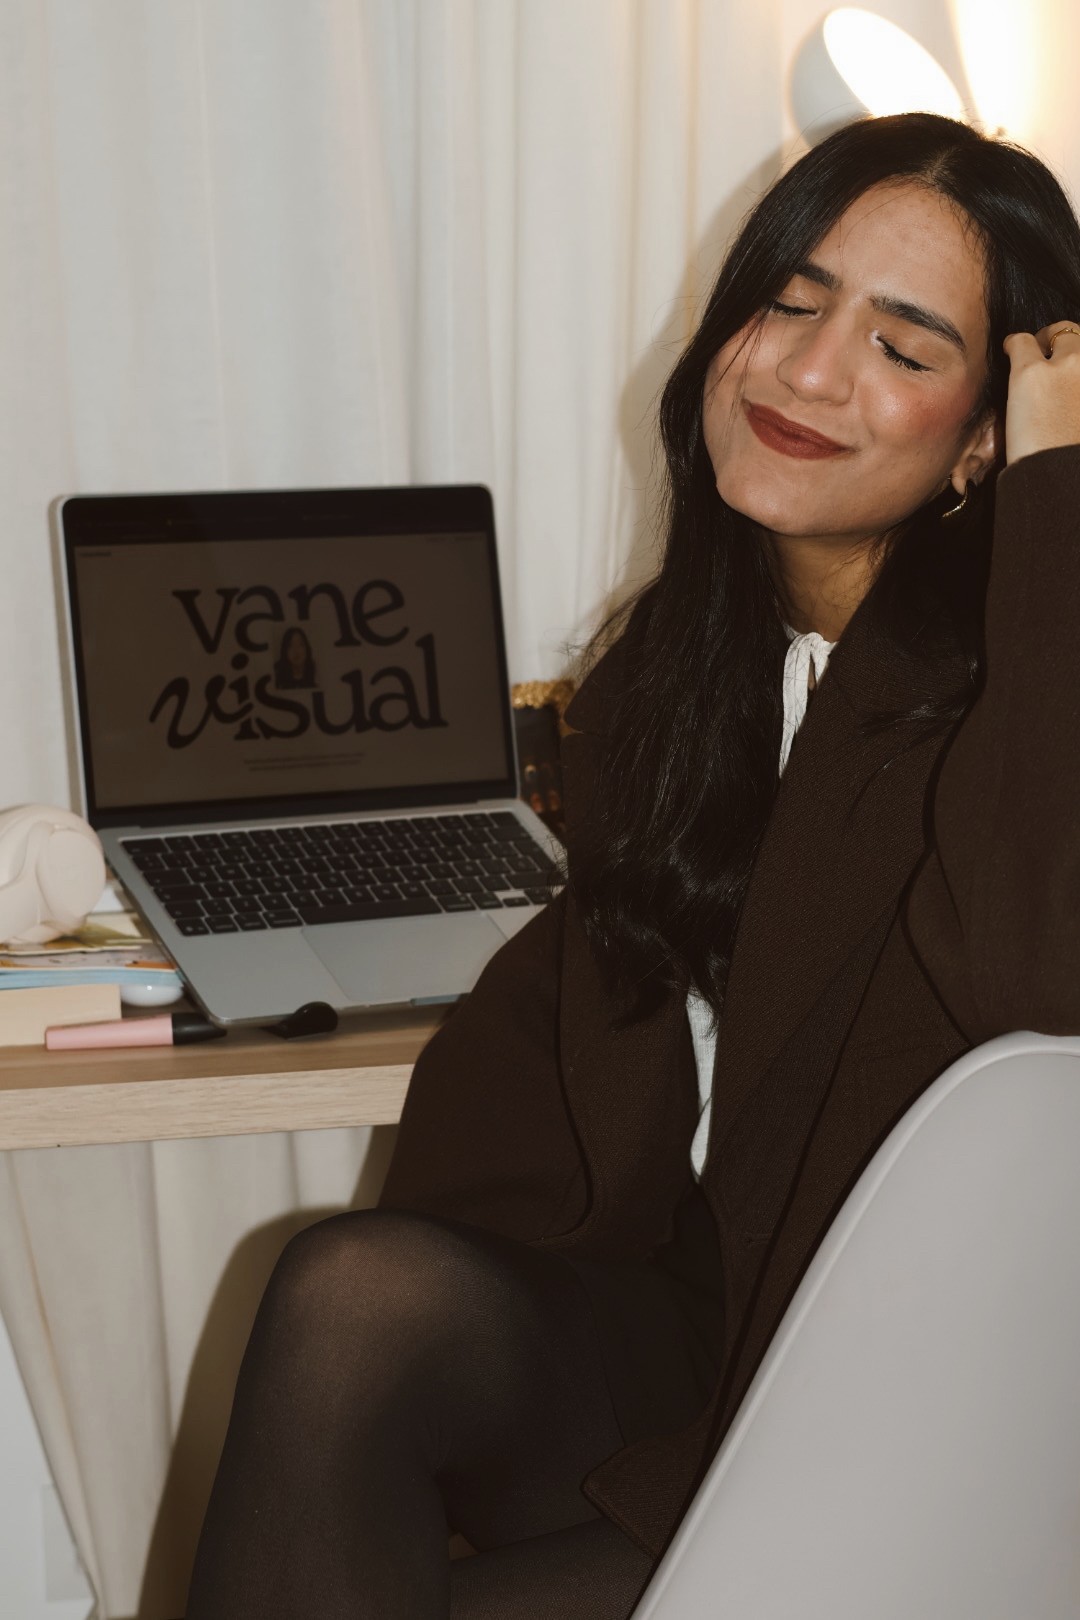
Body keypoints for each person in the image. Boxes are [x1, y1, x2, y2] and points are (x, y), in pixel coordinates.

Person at [186, 112, 1080, 1618]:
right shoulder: (685, 682)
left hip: (908, 1422)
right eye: (792, 301)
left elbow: (1038, 976)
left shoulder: (1021, 694)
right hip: (692, 1362)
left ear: (988, 437)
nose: (806, 369)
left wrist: (1066, 506)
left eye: (904, 348)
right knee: (353, 1300)